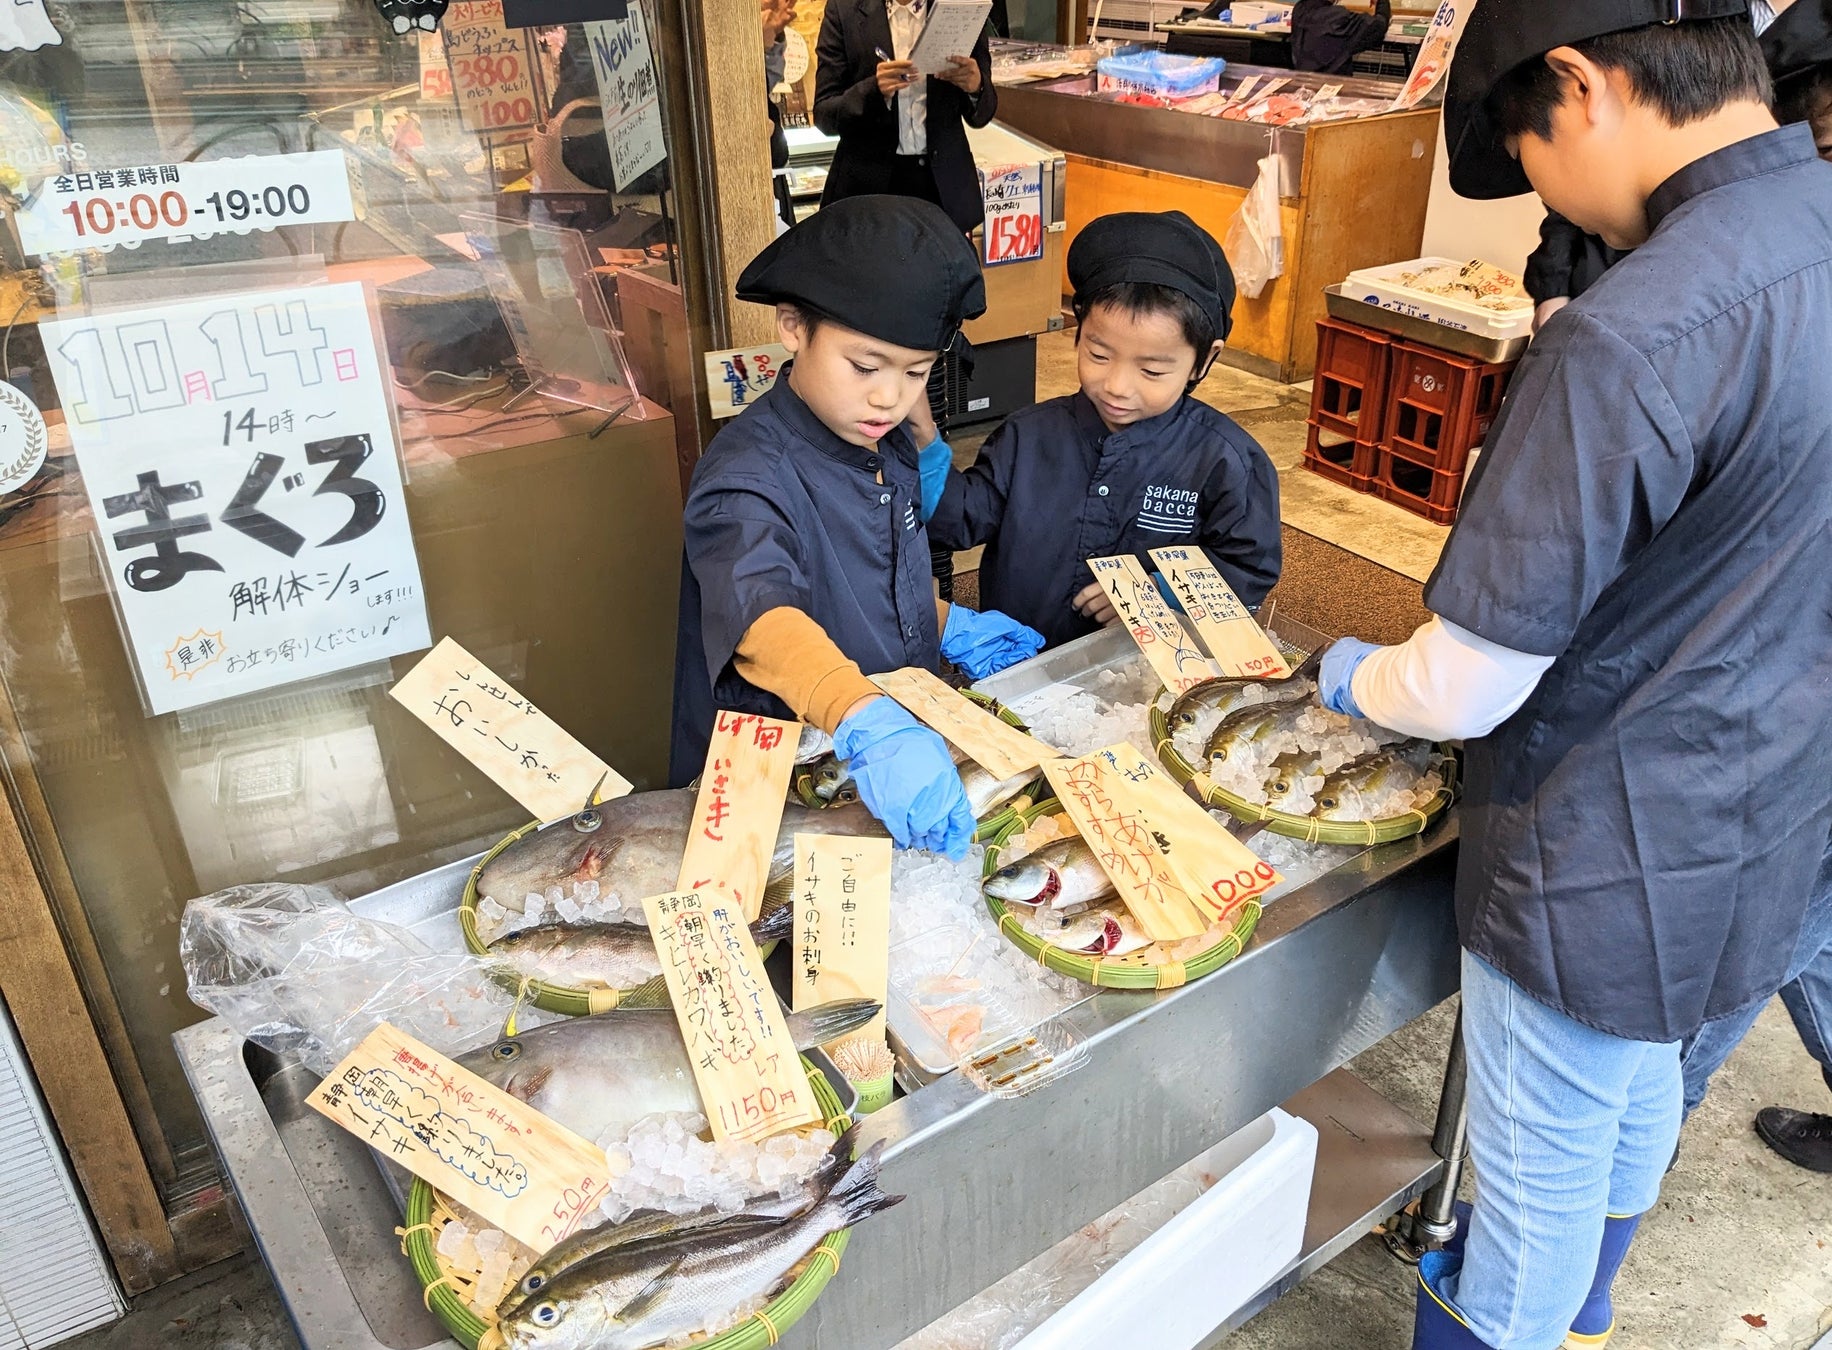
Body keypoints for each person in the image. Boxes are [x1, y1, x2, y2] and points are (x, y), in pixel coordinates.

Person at [1312, 4, 1832, 1348]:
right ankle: (1594, 1306)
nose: (1545, 196)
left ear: (1581, 86)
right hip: (1768, 810)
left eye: (1528, 154)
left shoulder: (1631, 329)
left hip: (1602, 851)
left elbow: (1465, 684)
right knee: (1643, 1082)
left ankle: (1532, 1320)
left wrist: (1354, 674)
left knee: (1532, 1182)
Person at [669, 196, 1044, 856]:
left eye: (917, 373)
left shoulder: (886, 442)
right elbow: (763, 617)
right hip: (789, 777)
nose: (889, 397)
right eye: (865, 367)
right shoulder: (746, 474)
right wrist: (864, 717)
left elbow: (864, 582)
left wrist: (946, 623)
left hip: (885, 758)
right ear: (793, 326)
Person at [925, 211, 1280, 648]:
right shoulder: (1028, 436)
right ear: (1078, 332)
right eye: (1098, 354)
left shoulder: (1225, 460)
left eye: (1151, 370)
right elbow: (960, 521)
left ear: (1204, 361)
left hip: (1144, 671)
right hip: (1021, 658)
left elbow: (1249, 568)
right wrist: (924, 446)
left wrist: (1154, 592)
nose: (1116, 386)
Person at [813, 0, 998, 233]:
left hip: (943, 189)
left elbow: (983, 113)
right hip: (868, 192)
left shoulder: (960, 7)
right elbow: (824, 114)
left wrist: (976, 87)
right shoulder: (844, 10)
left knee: (944, 269)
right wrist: (872, 91)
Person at [1290, 0, 1392, 76]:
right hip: (1333, 88)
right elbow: (1378, 26)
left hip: (1302, 82)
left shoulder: (1299, 10)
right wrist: (1382, 3)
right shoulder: (1337, 16)